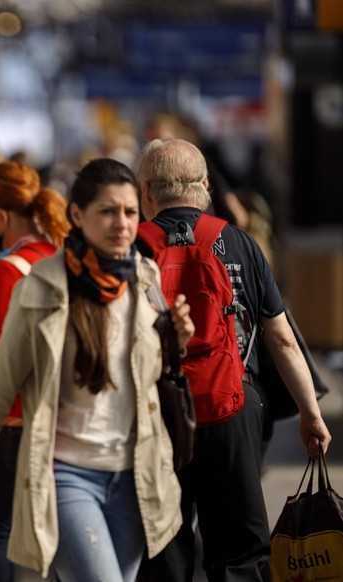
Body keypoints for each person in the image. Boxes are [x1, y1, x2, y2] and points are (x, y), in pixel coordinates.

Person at [0, 158, 195, 581]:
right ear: (77, 216)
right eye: (107, 211)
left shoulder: (146, 278)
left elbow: (150, 374)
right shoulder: (42, 286)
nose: (121, 223)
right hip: (66, 476)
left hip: (135, 476)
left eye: (129, 212)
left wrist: (175, 338)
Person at [134, 138, 332, 581]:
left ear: (146, 191)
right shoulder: (239, 243)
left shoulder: (130, 248)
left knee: (163, 546)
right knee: (239, 550)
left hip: (154, 413)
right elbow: (281, 339)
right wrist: (310, 413)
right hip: (232, 405)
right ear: (204, 185)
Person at [0, 161, 69, 582]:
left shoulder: (12, 269)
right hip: (63, 414)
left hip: (16, 419)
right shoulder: (62, 255)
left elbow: (0, 355)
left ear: (2, 216)